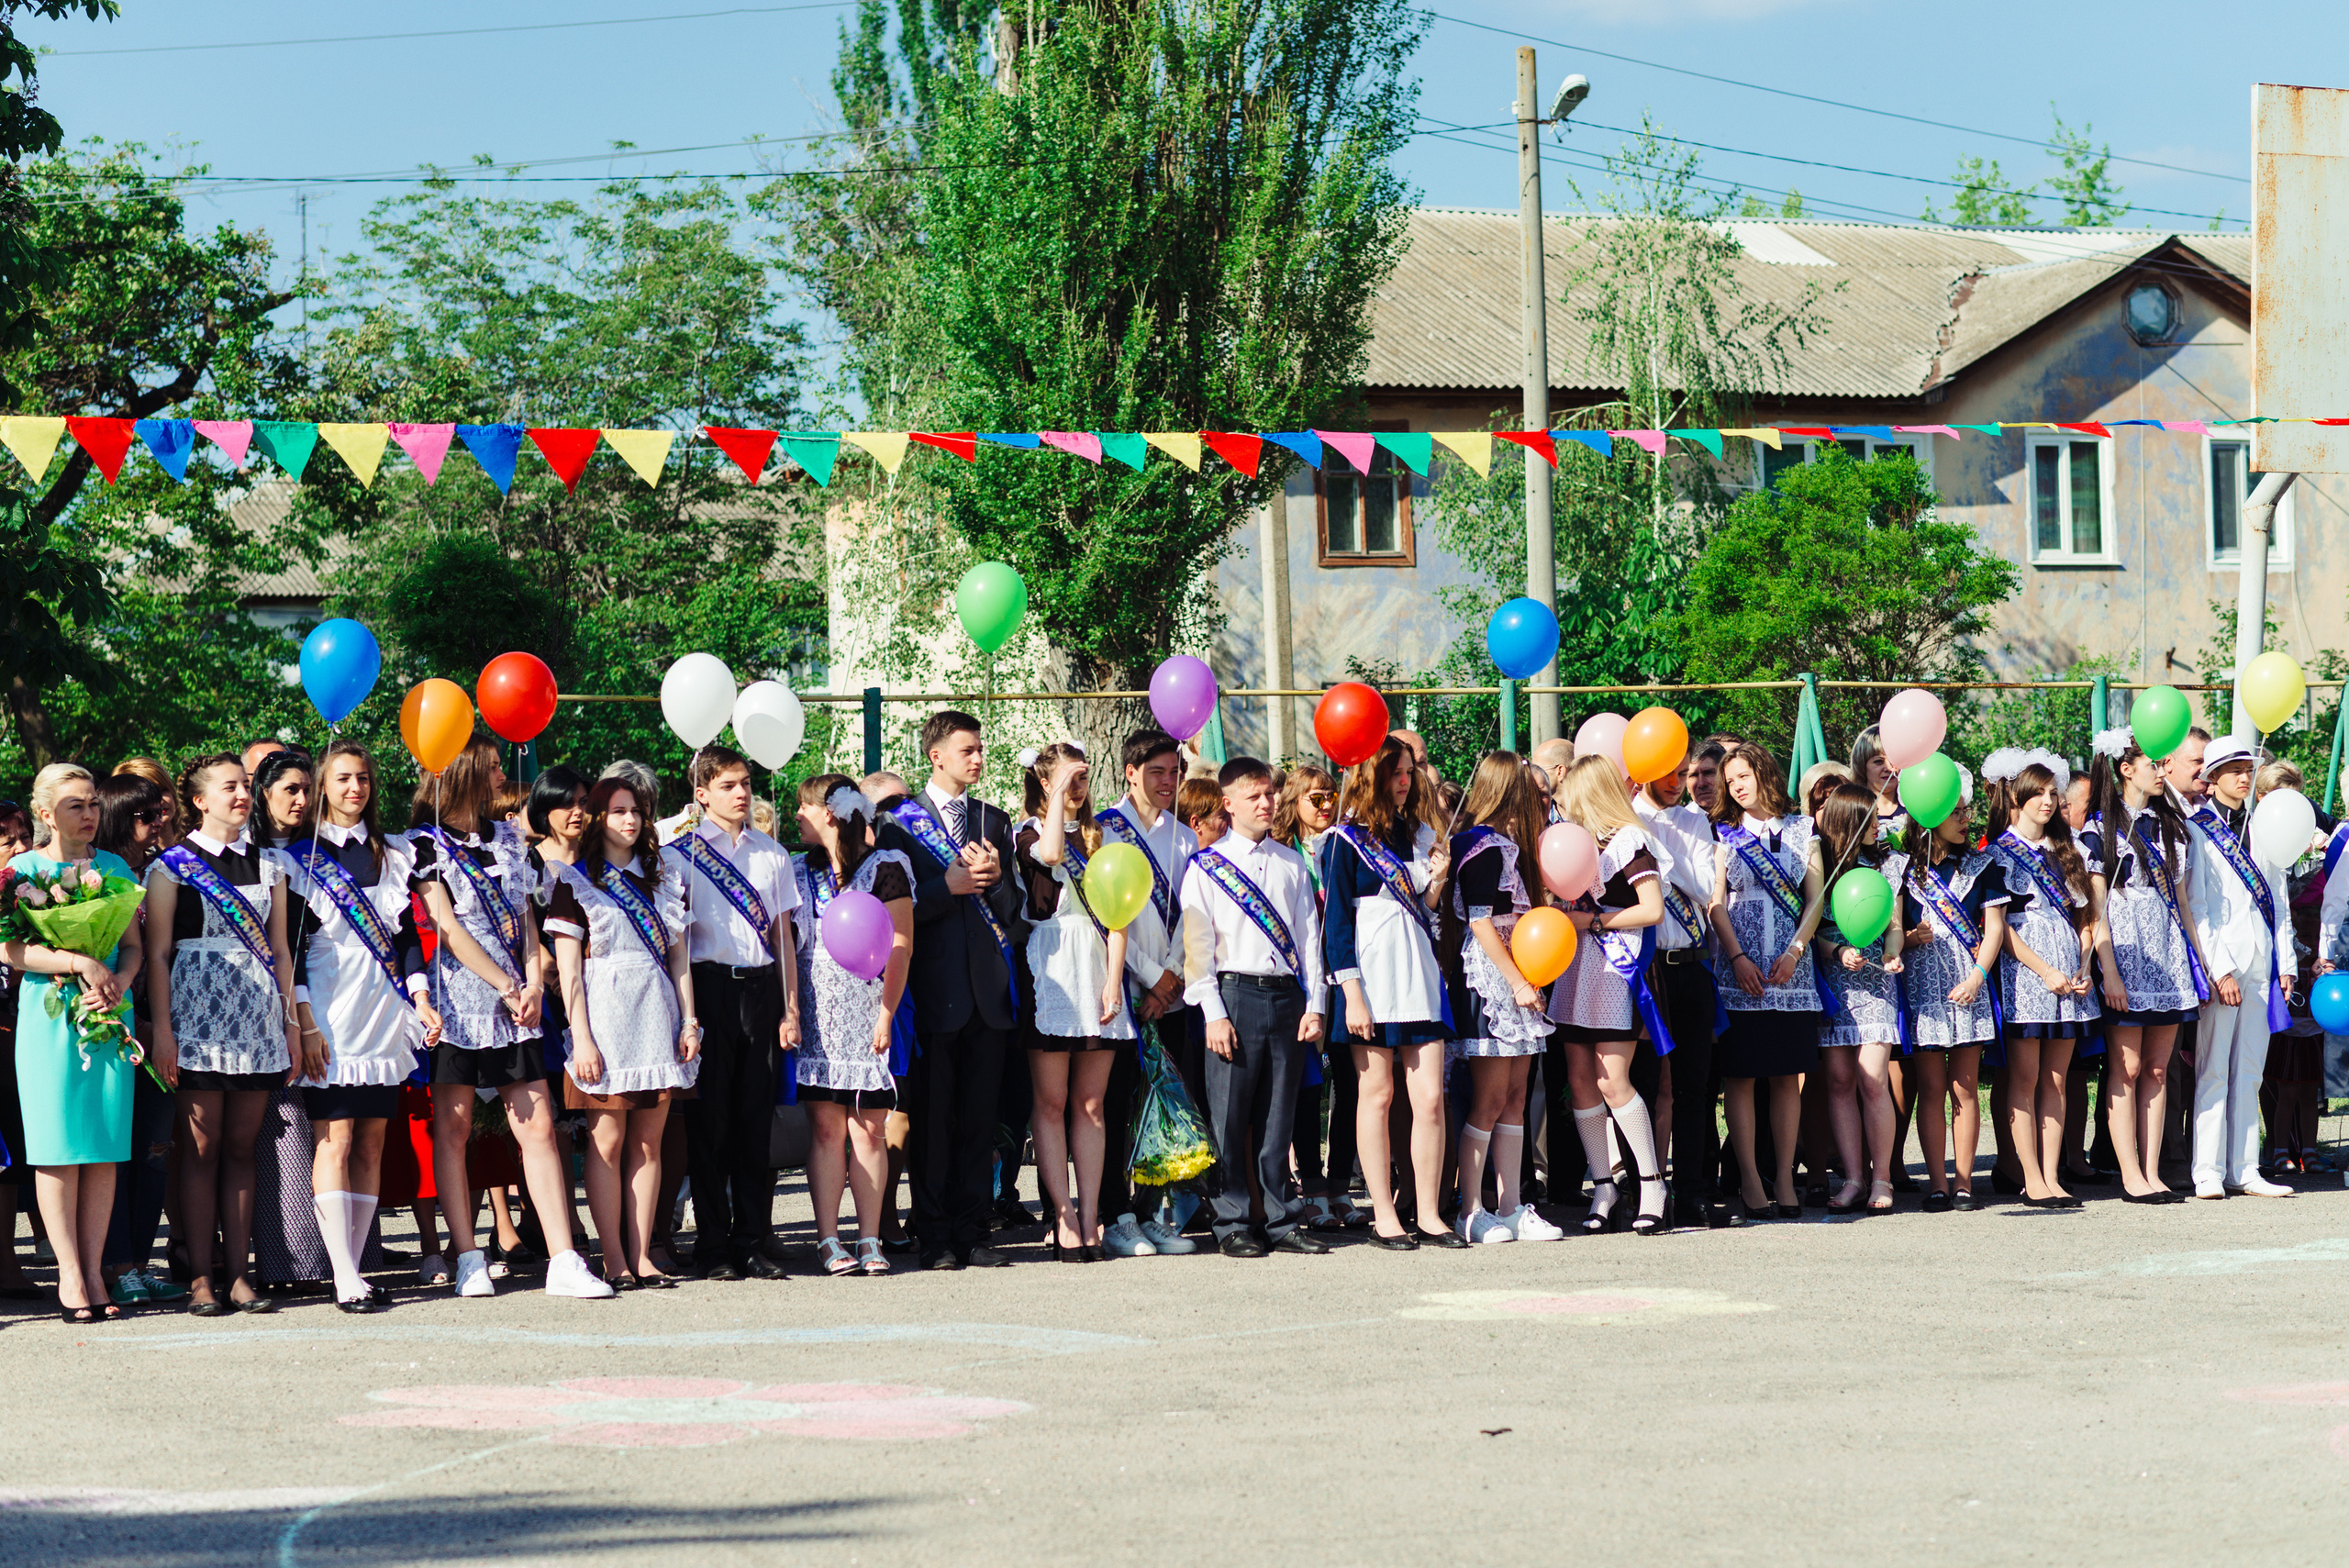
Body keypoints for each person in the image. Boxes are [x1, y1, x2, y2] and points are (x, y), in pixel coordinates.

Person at [411, 738, 609, 1299]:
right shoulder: (422, 845)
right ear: (467, 771)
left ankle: (564, 1257)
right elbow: (446, 925)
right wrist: (502, 984)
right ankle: (469, 1255)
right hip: (458, 1006)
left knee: (539, 1128)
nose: (503, 775)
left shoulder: (508, 839)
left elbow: (527, 918)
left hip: (516, 1005)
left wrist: (528, 984)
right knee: (453, 1129)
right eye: (494, 766)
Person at [283, 740, 441, 1311]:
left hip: (383, 1008)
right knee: (337, 1137)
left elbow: (404, 937)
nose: (356, 788)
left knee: (373, 1140)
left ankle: (356, 1268)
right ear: (324, 785)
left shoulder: (393, 852)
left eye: (364, 778)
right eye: (344, 778)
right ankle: (343, 1272)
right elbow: (292, 949)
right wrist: (304, 1021)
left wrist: (420, 999)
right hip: (328, 1003)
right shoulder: (296, 856)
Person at [146, 754, 306, 1316]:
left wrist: (290, 1026)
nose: (242, 794)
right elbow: (159, 954)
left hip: (258, 1023)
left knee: (242, 1148)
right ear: (200, 800)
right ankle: (199, 1279)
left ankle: (240, 1276)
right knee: (200, 1149)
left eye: (245, 785)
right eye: (230, 787)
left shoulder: (271, 867)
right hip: (194, 1021)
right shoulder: (171, 866)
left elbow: (283, 950)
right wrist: (163, 1032)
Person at [5, 766, 148, 1324]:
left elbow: (133, 946)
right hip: (51, 1018)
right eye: (74, 805)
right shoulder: (21, 869)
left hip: (110, 1014)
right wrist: (77, 962)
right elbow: (8, 950)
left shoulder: (112, 867)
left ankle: (95, 1268)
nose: (89, 814)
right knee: (58, 1147)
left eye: (91, 804)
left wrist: (119, 984)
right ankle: (69, 1272)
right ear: (46, 815)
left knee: (105, 1147)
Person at [546, 779, 700, 1287]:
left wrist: (689, 1019)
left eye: (636, 811)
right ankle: (612, 1257)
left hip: (657, 1014)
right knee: (607, 1140)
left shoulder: (663, 878)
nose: (629, 821)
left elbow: (679, 958)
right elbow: (568, 972)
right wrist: (582, 1037)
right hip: (605, 1018)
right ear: (597, 818)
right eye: (617, 811)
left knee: (650, 1144)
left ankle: (643, 1254)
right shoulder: (575, 883)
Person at [888, 711, 1023, 1270]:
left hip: (987, 996)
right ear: (935, 755)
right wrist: (946, 888)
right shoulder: (897, 824)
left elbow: (1016, 917)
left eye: (980, 749)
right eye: (966, 749)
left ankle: (973, 1230)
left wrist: (992, 883)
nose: (977, 758)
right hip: (934, 991)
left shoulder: (994, 821)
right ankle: (936, 1234)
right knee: (933, 1121)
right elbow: (894, 914)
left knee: (976, 1121)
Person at [1179, 756, 1329, 1257]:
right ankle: (1233, 1221)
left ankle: (1283, 1219)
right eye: (1253, 796)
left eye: (1269, 793)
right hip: (1234, 994)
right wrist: (1213, 1013)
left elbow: (1311, 939)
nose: (1266, 803)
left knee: (1277, 1116)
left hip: (1287, 997)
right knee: (1229, 1115)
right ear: (1228, 803)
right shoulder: (1205, 867)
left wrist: (1316, 1004)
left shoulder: (1291, 862)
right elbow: (1197, 950)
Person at [662, 746, 802, 1279]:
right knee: (709, 1124)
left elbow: (782, 936)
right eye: (727, 785)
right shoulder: (681, 856)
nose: (741, 793)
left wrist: (790, 1009)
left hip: (762, 990)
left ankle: (749, 1240)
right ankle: (713, 1245)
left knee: (754, 1122)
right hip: (710, 990)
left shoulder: (772, 854)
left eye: (745, 783)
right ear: (701, 795)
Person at [1321, 737, 1460, 1250]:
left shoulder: (1421, 833)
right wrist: (1352, 995)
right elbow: (1336, 926)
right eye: (1395, 772)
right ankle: (1383, 1213)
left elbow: (1420, 911)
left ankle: (1428, 1211)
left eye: (1409, 772)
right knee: (1376, 1096)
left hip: (1419, 976)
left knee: (1429, 1098)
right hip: (1372, 983)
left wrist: (1438, 883)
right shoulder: (1342, 840)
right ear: (1371, 777)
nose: (1405, 780)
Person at [1013, 744, 1134, 1261]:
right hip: (1052, 965)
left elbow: (1118, 913)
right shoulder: (1024, 833)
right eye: (1067, 779)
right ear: (1042, 783)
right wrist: (1058, 793)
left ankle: (1091, 1215)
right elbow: (1052, 856)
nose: (1078, 787)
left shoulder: (1099, 836)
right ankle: (1061, 1214)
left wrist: (1113, 980)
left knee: (1091, 1103)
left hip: (1098, 968)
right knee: (1052, 1102)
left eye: (1083, 778)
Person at [789, 776, 911, 1276]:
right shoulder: (798, 869)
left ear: (831, 814)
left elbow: (900, 944)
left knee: (870, 1128)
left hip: (868, 1009)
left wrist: (887, 1012)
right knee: (825, 1128)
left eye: (806, 807)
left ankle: (869, 1236)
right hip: (818, 1012)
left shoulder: (885, 866)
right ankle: (826, 1237)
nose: (797, 814)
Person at [2083, 727, 2210, 1204]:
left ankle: (2153, 1169)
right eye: (2155, 764)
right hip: (2126, 955)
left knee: (2158, 1069)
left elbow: (2182, 902)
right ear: (2126, 768)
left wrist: (2197, 961)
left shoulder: (2171, 826)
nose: (2163, 772)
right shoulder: (2098, 830)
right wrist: (2108, 970)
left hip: (2168, 954)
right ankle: (2129, 1172)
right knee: (2128, 1066)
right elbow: (2095, 911)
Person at [1547, 755, 1671, 1235]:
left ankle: (1651, 1181)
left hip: (1615, 967)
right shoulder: (1574, 843)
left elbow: (1652, 909)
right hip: (1576, 967)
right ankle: (1603, 1184)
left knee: (1612, 1080)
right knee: (1579, 1078)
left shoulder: (1629, 839)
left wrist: (1593, 922)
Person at [1435, 752, 1552, 1244]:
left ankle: (1511, 1207)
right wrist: (1518, 982)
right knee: (1488, 1098)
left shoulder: (1509, 845)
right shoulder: (1481, 846)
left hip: (1520, 973)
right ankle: (1472, 1209)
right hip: (1492, 979)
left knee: (1517, 1097)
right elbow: (1480, 922)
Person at [1709, 742, 1826, 1220]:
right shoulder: (1723, 834)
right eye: (1730, 779)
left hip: (1790, 972)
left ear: (1764, 774)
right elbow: (1715, 902)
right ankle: (1751, 1181)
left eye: (1744, 775)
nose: (1737, 785)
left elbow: (1815, 900)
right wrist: (1736, 956)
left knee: (1786, 1078)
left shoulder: (1804, 830)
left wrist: (1796, 952)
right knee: (1739, 1078)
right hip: (1741, 973)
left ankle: (1783, 1176)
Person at [1096, 730, 1199, 1258]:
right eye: (1156, 771)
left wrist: (1172, 976)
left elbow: (1192, 914)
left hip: (1171, 992)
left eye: (1174, 772)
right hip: (1123, 991)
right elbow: (1108, 915)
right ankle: (1114, 1214)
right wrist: (1146, 976)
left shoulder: (1185, 838)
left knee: (1162, 1107)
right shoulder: (1104, 832)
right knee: (1118, 1105)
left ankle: (1152, 1209)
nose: (1167, 781)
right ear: (1131, 772)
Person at [1981, 751, 2097, 1208]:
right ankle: (2029, 1176)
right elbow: (2001, 928)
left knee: (2058, 1079)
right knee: (2025, 1079)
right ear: (2018, 796)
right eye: (2039, 793)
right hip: (2027, 976)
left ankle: (2052, 1174)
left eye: (2054, 793)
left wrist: (2084, 966)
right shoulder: (1998, 853)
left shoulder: (2067, 851)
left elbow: (2086, 918)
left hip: (2071, 974)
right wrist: (2044, 970)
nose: (2048, 801)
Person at [2184, 739, 2295, 1200]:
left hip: (2262, 964)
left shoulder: (2266, 825)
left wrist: (2285, 964)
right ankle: (2206, 1171)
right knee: (2213, 1068)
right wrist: (2220, 969)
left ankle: (2245, 1168)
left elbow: (2280, 900)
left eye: (2248, 769)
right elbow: (2199, 905)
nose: (2244, 777)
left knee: (2250, 1068)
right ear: (2211, 779)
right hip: (2223, 965)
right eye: (2233, 770)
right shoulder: (2196, 829)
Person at [249, 749, 341, 1297]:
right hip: (277, 1008)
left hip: (336, 1002)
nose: (303, 801)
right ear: (263, 795)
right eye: (290, 790)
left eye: (309, 790)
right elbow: (288, 948)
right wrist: (298, 1017)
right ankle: (290, 1261)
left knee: (335, 1132)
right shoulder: (250, 854)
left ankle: (348, 1252)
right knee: (281, 1135)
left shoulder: (325, 849)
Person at [88, 773, 184, 1306]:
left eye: (162, 815)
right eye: (148, 817)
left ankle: (141, 1264)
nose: (159, 825)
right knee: (115, 1152)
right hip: (111, 1024)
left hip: (162, 1028)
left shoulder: (172, 871)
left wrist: (159, 1024)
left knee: (152, 1150)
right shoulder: (98, 876)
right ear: (123, 817)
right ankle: (115, 1263)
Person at [1898, 773, 2009, 1211]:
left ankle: (1964, 1182)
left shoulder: (1983, 865)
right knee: (1930, 1086)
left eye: (1966, 810)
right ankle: (1938, 1184)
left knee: (1964, 1086)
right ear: (1929, 817)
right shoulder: (1902, 869)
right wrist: (1909, 938)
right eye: (1956, 812)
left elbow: (1996, 929)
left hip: (1969, 981)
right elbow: (1890, 934)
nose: (1966, 818)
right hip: (1924, 984)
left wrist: (1979, 976)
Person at [1634, 753, 1731, 1229]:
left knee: (1695, 1087)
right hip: (1648, 971)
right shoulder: (1627, 815)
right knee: (1647, 1085)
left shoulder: (1696, 821)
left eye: (1685, 773)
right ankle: (1645, 1192)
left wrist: (1664, 859)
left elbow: (1704, 887)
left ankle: (1693, 1192)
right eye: (1671, 774)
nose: (1680, 783)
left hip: (1692, 966)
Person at [1811, 783, 1905, 1215]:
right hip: (1833, 984)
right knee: (1839, 1082)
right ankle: (1852, 1178)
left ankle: (1881, 1176)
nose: (1877, 826)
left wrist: (1891, 952)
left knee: (1872, 1080)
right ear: (1848, 822)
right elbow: (1810, 932)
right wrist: (1837, 951)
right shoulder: (1819, 867)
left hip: (1874, 985)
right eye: (1867, 819)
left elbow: (1895, 924)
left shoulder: (1888, 865)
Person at [1273, 764, 1354, 1229]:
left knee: (1350, 1083)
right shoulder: (1283, 853)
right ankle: (1312, 1186)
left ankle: (1340, 1184)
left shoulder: (1345, 846)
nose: (1327, 806)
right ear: (1295, 802)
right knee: (1307, 1088)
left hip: (1343, 979)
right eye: (1316, 798)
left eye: (1331, 797)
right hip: (1300, 983)